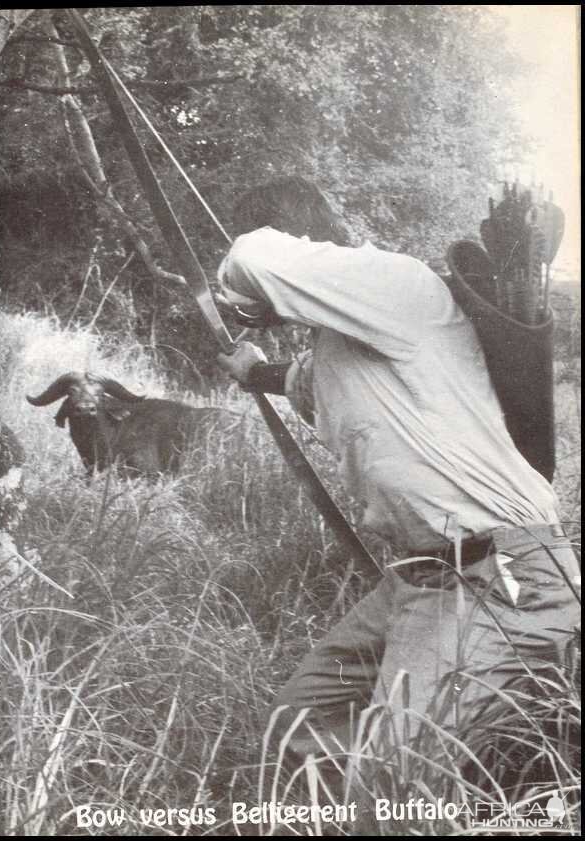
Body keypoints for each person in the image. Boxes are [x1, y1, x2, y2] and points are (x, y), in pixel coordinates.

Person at [216, 179, 580, 809]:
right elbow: (304, 382)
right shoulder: (338, 343)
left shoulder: (397, 285)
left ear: (302, 240)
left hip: (506, 574)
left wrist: (239, 271)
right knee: (296, 731)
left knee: (391, 776)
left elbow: (251, 258)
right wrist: (255, 372)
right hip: (423, 581)